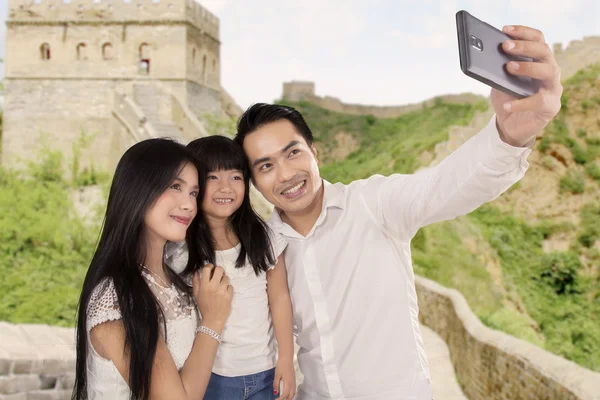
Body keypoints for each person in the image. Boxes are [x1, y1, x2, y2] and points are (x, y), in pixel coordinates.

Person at [233, 25, 563, 399]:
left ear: (315, 152)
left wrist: (509, 136)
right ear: (254, 182)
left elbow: (445, 185)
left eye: (293, 153)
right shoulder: (264, 250)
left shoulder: (374, 205)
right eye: (265, 166)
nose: (286, 174)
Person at [72, 138, 233, 400]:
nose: (189, 204)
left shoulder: (172, 280)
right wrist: (213, 321)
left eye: (193, 192)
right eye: (175, 186)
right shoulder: (115, 297)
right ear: (138, 189)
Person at [165, 135, 296, 400]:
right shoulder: (179, 250)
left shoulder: (264, 238)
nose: (226, 187)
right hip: (212, 378)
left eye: (235, 177)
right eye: (212, 178)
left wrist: (286, 359)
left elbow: (280, 298)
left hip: (265, 372)